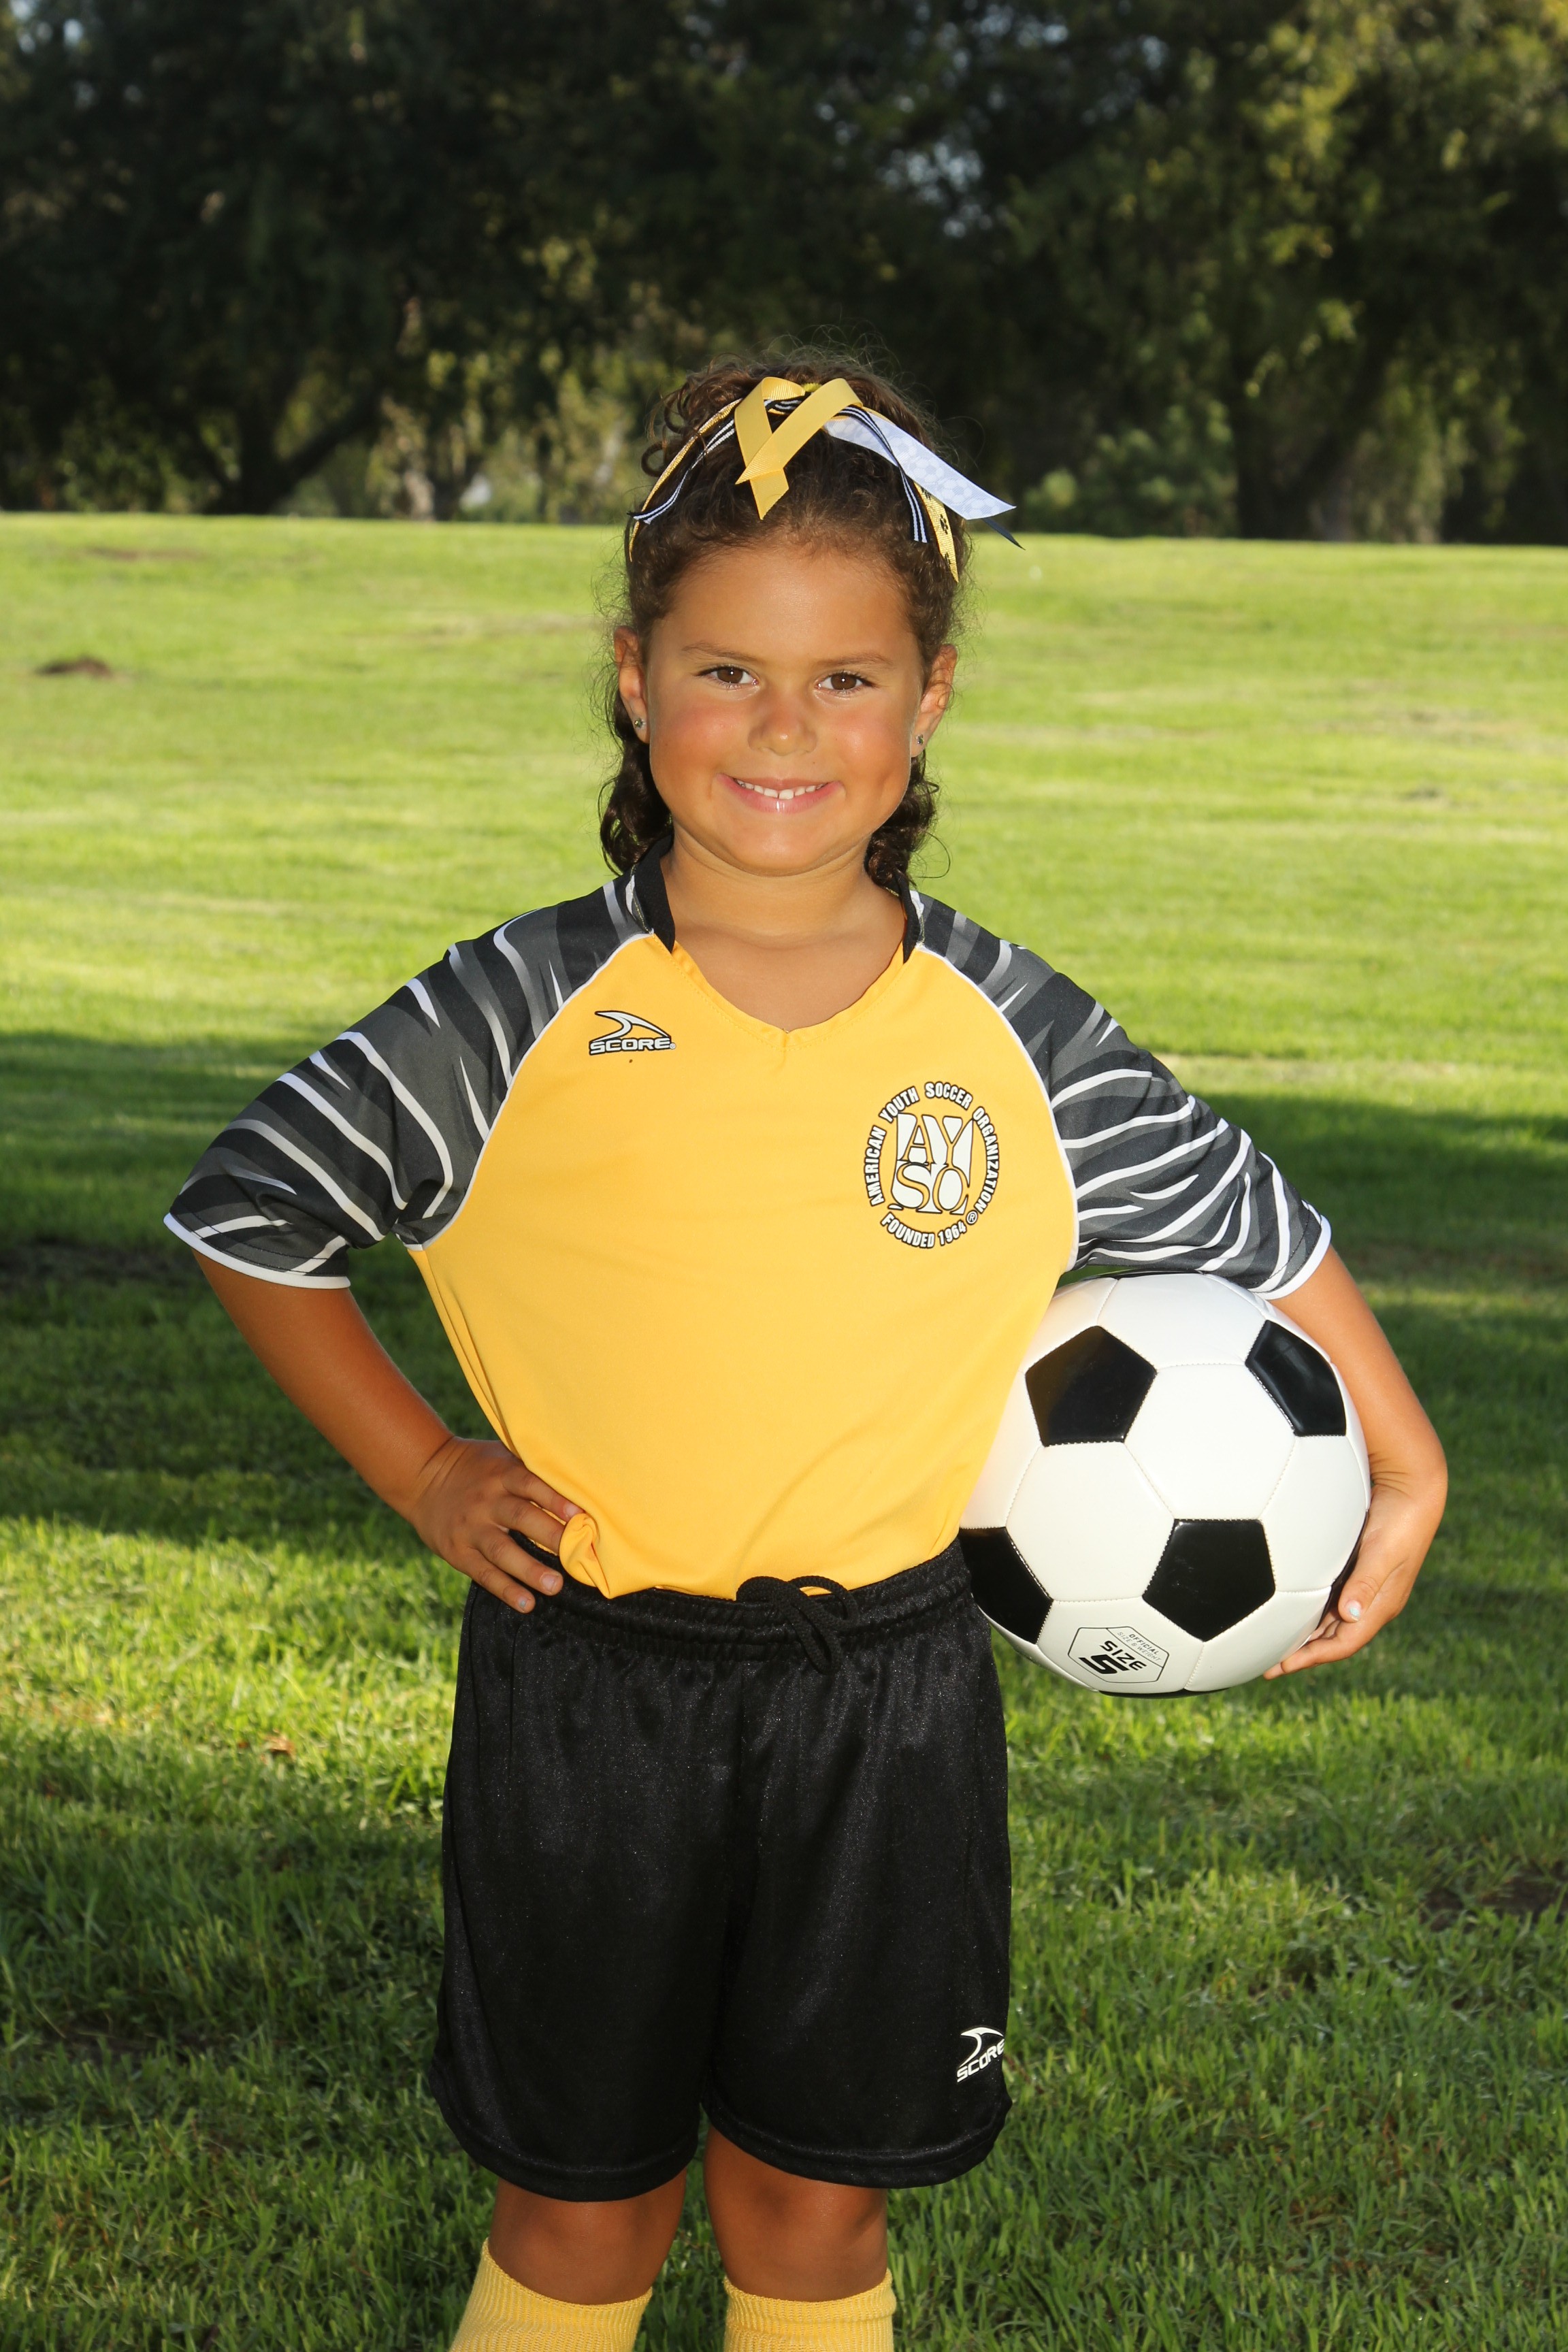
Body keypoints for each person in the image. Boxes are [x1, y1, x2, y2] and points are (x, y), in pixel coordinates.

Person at [166, 358, 1448, 2352]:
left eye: (846, 678)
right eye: (728, 673)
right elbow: (256, 1212)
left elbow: (1246, 1220)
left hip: (889, 1703)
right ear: (634, 681)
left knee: (817, 2210)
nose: (785, 728)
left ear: (928, 701)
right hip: (591, 1690)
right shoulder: (516, 1007)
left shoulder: (1018, 1032)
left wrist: (1406, 1453)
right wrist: (425, 1466)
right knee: (580, 2212)